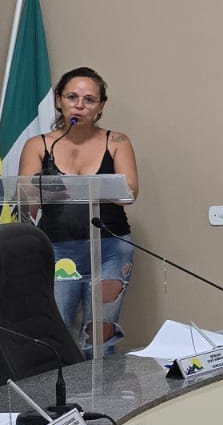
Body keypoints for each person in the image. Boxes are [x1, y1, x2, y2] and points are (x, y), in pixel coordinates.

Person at [18, 67, 140, 354]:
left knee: (99, 334)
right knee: (57, 330)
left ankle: (104, 396)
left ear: (101, 106)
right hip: (57, 248)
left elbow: (129, 192)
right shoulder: (39, 144)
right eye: (72, 96)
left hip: (110, 248)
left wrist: (63, 188)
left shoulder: (117, 141)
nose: (80, 105)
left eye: (89, 99)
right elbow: (24, 194)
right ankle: (63, 396)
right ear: (59, 100)